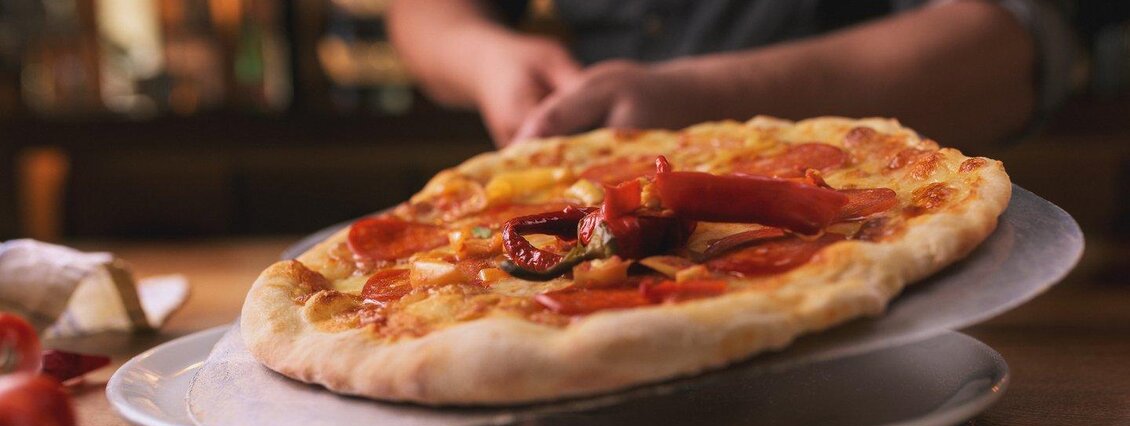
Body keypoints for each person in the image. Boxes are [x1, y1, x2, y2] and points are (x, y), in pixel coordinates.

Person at [388, 0, 1078, 149]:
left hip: (874, 229)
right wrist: (485, 58)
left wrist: (704, 106)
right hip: (594, 244)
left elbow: (1010, 48)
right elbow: (423, 15)